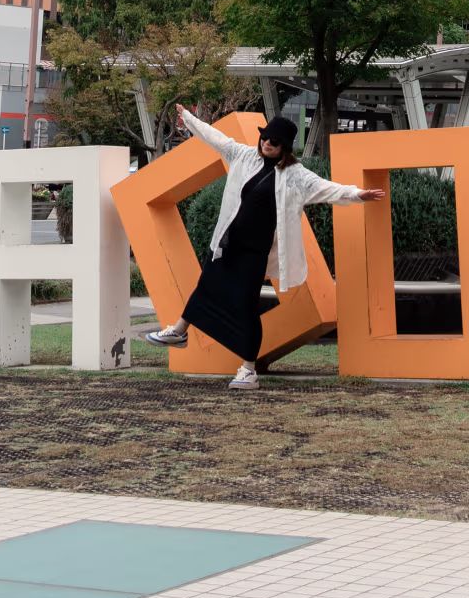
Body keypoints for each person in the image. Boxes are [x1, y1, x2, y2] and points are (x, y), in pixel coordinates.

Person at [145, 107, 384, 390]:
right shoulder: (244, 155)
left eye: (274, 141)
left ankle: (248, 370)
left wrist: (357, 193)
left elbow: (326, 188)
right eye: (265, 138)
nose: (266, 143)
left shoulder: (295, 176)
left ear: (285, 147)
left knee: (245, 306)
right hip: (227, 242)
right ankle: (180, 331)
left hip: (253, 253)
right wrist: (190, 119)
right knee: (206, 286)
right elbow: (216, 138)